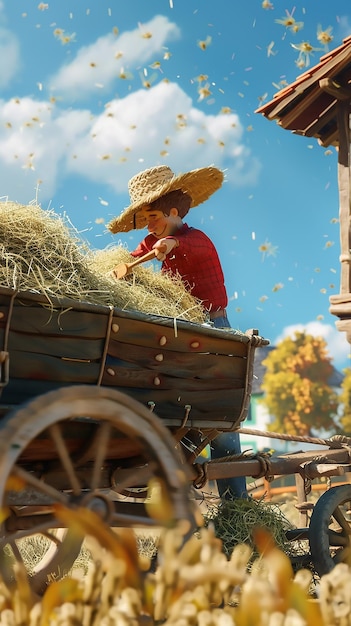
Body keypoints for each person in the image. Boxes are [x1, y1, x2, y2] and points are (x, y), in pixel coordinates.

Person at [108, 164, 247, 499]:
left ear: (172, 212)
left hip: (215, 329)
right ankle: (179, 487)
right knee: (182, 405)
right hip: (183, 330)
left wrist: (166, 246)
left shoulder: (195, 239)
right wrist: (120, 265)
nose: (149, 224)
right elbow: (136, 254)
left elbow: (175, 245)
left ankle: (236, 504)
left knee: (218, 414)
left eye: (153, 216)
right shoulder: (152, 240)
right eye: (145, 218)